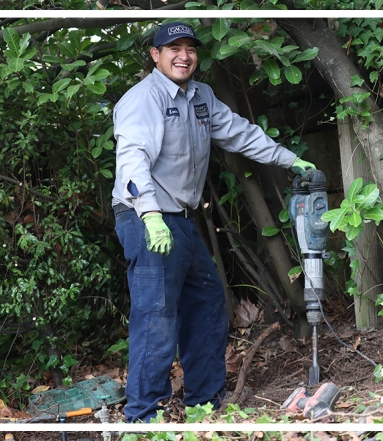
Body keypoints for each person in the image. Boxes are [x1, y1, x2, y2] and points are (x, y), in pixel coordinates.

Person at [111, 21, 316, 423]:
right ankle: (142, 418)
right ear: (155, 55)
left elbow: (239, 133)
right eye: (173, 48)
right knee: (157, 316)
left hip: (183, 219)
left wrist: (289, 159)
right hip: (145, 216)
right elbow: (132, 158)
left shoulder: (200, 96)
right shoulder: (142, 99)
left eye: (190, 48)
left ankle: (203, 404)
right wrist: (151, 215)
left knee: (206, 304)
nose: (183, 56)